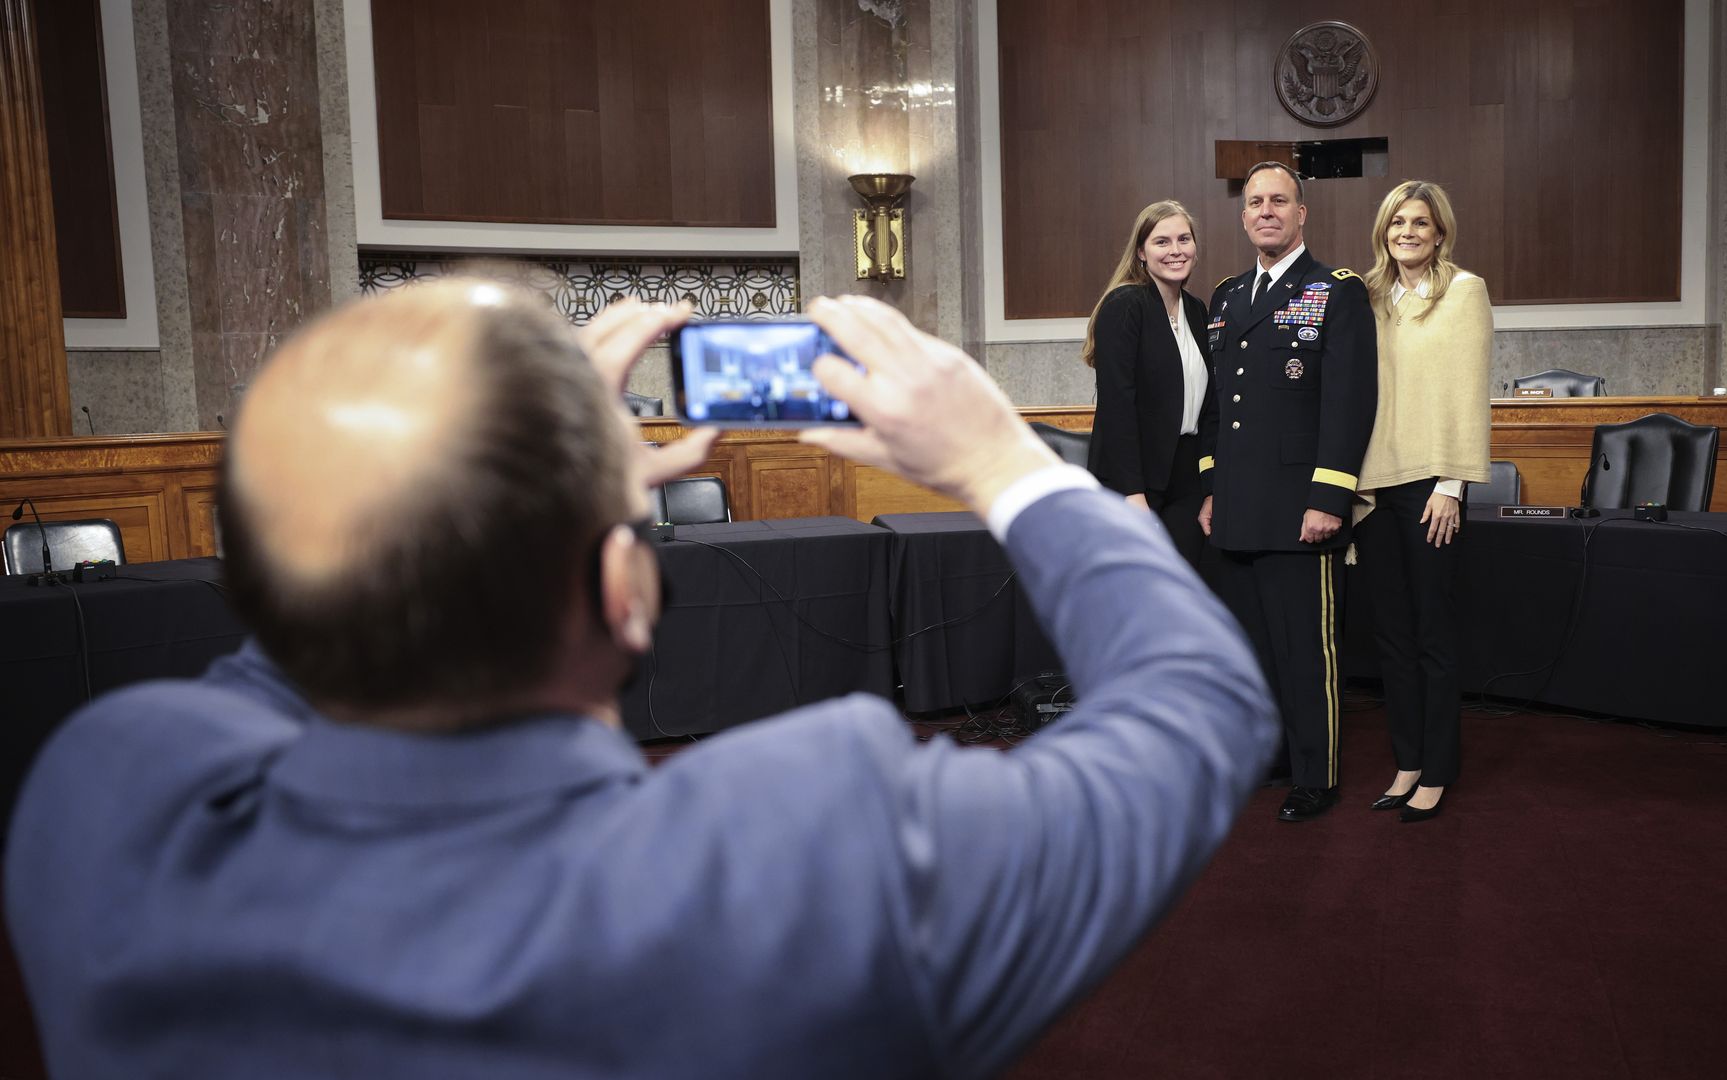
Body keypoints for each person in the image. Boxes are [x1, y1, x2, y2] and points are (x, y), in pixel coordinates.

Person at [4, 282, 1275, 1079]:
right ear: (627, 593)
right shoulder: (815, 855)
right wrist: (1011, 464)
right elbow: (1200, 706)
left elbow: (307, 617)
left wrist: (506, 477)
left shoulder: (106, 794)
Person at [1197, 161, 1377, 822]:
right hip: (1238, 509)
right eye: (1255, 202)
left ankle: (1315, 774)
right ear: (1243, 217)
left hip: (1302, 509)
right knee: (1253, 651)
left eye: (1279, 201)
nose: (1266, 211)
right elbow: (1217, 408)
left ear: (1302, 213)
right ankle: (1269, 760)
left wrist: (1329, 498)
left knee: (1306, 650)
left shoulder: (1336, 290)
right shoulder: (1227, 297)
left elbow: (1348, 404)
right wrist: (1211, 488)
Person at [1354, 180, 1492, 824]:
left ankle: (1437, 769)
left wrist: (1452, 484)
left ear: (1440, 233)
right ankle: (1406, 760)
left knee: (1433, 634)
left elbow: (1468, 392)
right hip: (1375, 486)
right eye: (1397, 222)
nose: (1407, 232)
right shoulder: (1370, 297)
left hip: (1431, 485)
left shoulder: (1463, 292)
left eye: (1420, 223)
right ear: (1384, 231)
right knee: (1392, 636)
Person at [1084, 200, 1211, 569]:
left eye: (1184, 239)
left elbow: (1210, 405)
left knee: (1184, 588)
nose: (1176, 251)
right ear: (1141, 251)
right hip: (1135, 479)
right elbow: (1117, 408)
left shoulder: (1198, 310)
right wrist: (1132, 494)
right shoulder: (1125, 305)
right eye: (1162, 241)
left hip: (1187, 479)